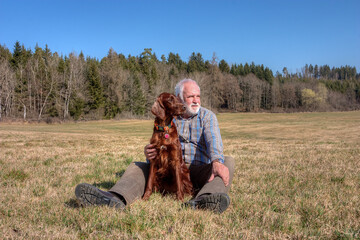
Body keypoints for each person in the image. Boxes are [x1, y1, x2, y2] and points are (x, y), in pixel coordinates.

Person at [75, 79, 235, 213]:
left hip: (198, 169)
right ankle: (114, 197)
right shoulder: (168, 116)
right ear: (179, 97)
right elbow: (157, 147)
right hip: (169, 171)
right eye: (190, 96)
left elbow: (214, 140)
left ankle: (203, 200)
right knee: (138, 166)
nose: (196, 100)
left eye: (198, 96)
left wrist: (216, 161)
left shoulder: (207, 116)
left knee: (226, 162)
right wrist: (149, 152)